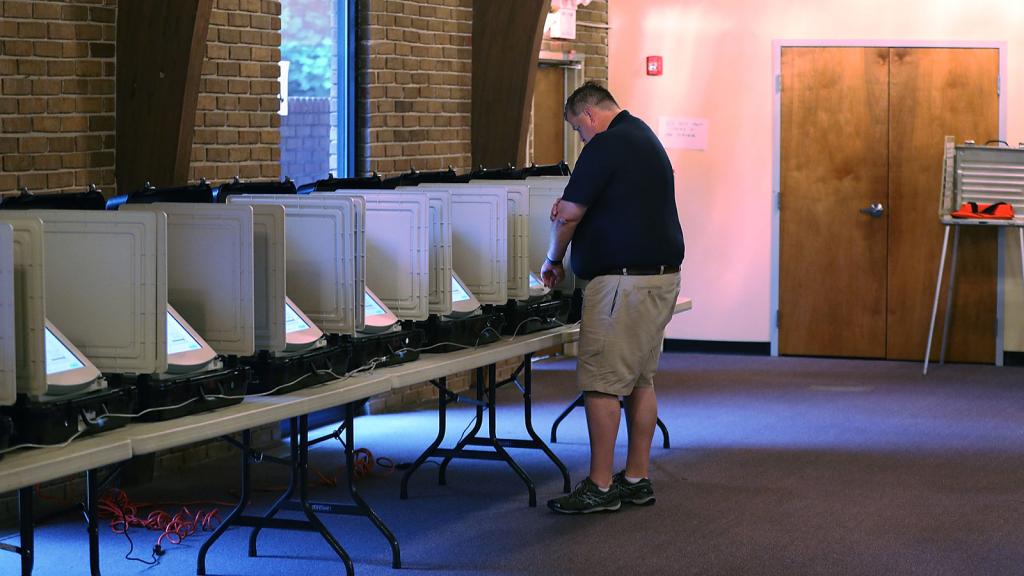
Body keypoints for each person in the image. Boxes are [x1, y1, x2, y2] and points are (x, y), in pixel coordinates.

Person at [542, 81, 684, 514]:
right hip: (660, 278)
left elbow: (568, 215)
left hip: (622, 285)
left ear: (588, 116)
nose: (581, 139)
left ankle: (600, 486)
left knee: (601, 385)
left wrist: (553, 258)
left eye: (577, 130)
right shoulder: (644, 137)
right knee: (640, 380)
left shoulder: (604, 145)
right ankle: (636, 478)